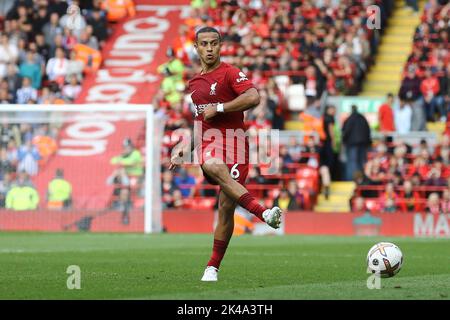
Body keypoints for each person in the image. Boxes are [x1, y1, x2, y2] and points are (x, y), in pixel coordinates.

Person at [169, 26, 282, 282]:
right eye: (204, 44)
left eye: (214, 44)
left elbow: (253, 97)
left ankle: (212, 267)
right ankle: (262, 212)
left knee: (225, 208)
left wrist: (219, 107)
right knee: (211, 163)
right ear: (196, 48)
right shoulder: (195, 84)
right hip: (211, 141)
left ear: (221, 46)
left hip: (237, 145)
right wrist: (183, 150)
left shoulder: (230, 73)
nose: (209, 49)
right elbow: (200, 124)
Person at [342, 105, 372, 181]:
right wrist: (368, 143)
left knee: (352, 162)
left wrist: (344, 141)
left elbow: (346, 131)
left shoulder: (349, 119)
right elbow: (368, 131)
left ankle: (351, 179)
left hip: (352, 144)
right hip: (363, 144)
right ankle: (361, 179)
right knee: (362, 162)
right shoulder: (362, 118)